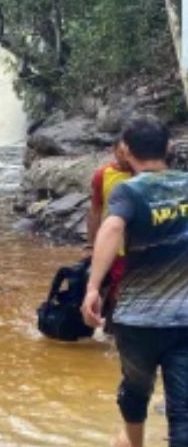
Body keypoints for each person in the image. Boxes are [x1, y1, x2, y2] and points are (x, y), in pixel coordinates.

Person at [81, 117, 188, 447]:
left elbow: (111, 229)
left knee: (135, 393)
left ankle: (133, 441)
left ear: (126, 151)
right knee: (183, 413)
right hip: (184, 319)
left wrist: (93, 288)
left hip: (136, 319)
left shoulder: (128, 190)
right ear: (169, 147)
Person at [87, 138, 133, 323]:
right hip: (113, 244)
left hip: (136, 243)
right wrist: (91, 244)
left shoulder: (141, 174)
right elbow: (95, 210)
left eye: (128, 153)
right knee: (116, 288)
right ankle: (112, 329)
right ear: (113, 151)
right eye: (121, 153)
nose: (125, 158)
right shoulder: (102, 175)